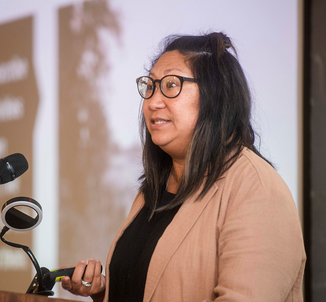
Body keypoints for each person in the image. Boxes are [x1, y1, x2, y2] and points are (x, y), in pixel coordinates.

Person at [61, 32, 306, 302]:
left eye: (171, 85)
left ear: (216, 95)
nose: (153, 101)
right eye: (151, 86)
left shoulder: (256, 188)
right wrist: (105, 294)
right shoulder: (151, 193)